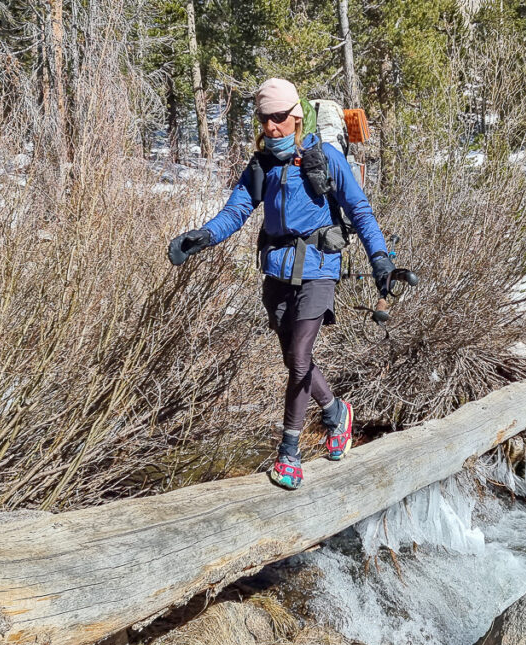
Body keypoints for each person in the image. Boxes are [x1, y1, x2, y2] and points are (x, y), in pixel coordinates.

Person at [167, 77, 395, 491]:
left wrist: (380, 257)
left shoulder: (324, 157)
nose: (271, 127)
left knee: (302, 354)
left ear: (295, 116)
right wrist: (200, 236)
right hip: (277, 273)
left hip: (320, 267)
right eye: (264, 119)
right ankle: (334, 412)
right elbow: (235, 211)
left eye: (279, 118)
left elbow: (359, 209)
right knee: (294, 359)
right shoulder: (262, 165)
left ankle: (289, 452)